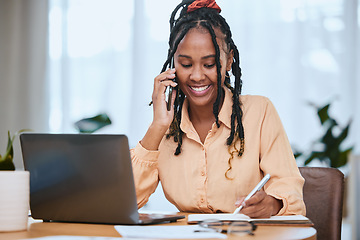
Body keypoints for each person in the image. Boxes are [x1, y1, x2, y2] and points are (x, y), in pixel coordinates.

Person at [130, 0, 306, 218]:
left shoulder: (260, 112)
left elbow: (292, 193)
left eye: (209, 64)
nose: (196, 76)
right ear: (173, 64)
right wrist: (157, 127)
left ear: (229, 59)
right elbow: (127, 202)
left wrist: (273, 204)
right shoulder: (166, 126)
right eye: (185, 64)